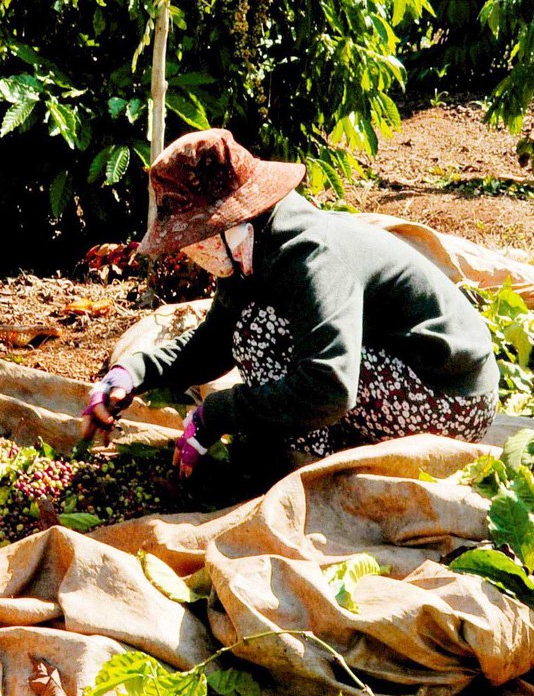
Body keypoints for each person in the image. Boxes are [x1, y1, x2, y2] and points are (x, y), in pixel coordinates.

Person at [82, 129, 499, 482]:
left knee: (260, 332)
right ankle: (306, 444)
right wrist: (130, 373)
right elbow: (212, 344)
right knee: (250, 327)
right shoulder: (251, 251)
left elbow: (331, 388)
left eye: (195, 238)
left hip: (450, 402)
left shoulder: (310, 257)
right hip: (396, 377)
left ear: (231, 225)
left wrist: (219, 413)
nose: (191, 251)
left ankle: (297, 463)